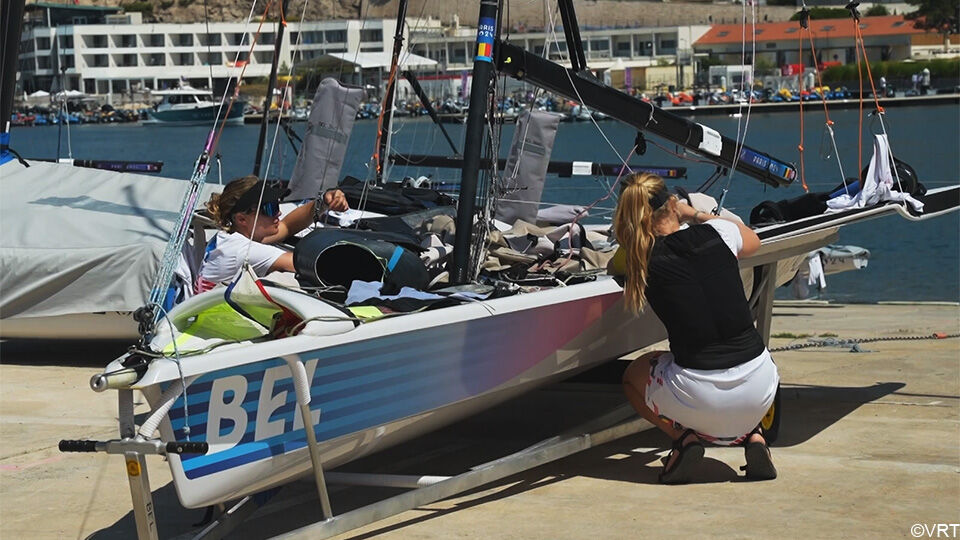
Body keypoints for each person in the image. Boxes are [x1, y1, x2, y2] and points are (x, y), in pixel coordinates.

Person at [611, 172, 779, 484]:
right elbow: (754, 240)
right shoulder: (718, 233)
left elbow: (614, 264)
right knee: (735, 354)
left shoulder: (637, 259)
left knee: (632, 376)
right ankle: (754, 436)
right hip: (760, 384)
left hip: (699, 393)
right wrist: (695, 213)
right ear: (671, 205)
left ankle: (683, 439)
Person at [195, 175, 349, 293]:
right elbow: (312, 264)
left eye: (276, 205)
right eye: (269, 209)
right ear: (242, 219)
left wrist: (323, 202)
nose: (279, 212)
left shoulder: (230, 236)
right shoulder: (241, 250)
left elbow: (287, 226)